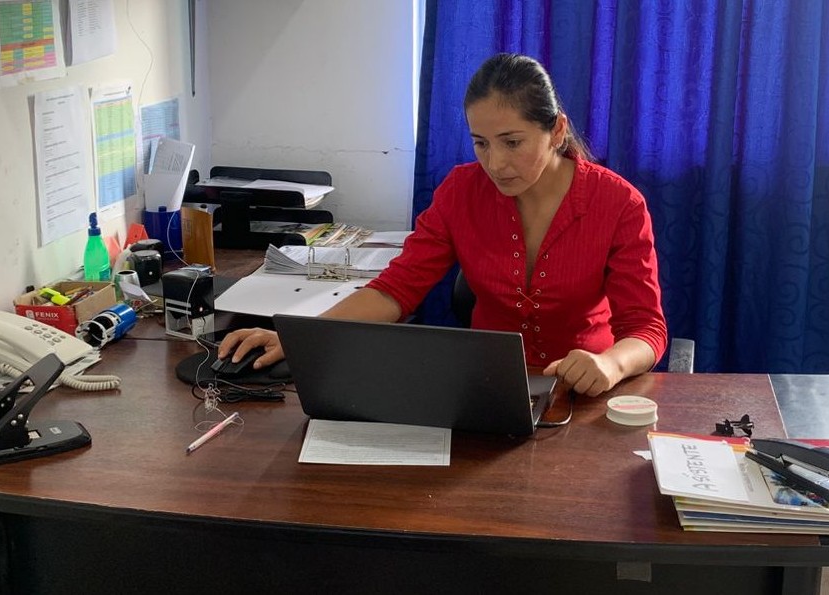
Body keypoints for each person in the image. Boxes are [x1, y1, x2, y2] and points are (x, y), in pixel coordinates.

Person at [220, 53, 667, 397]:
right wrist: (299, 337)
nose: (495, 163)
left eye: (512, 142)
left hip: (583, 392)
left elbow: (647, 328)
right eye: (481, 143)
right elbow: (396, 290)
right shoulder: (461, 191)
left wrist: (610, 364)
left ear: (556, 131)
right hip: (487, 387)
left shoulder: (618, 204)